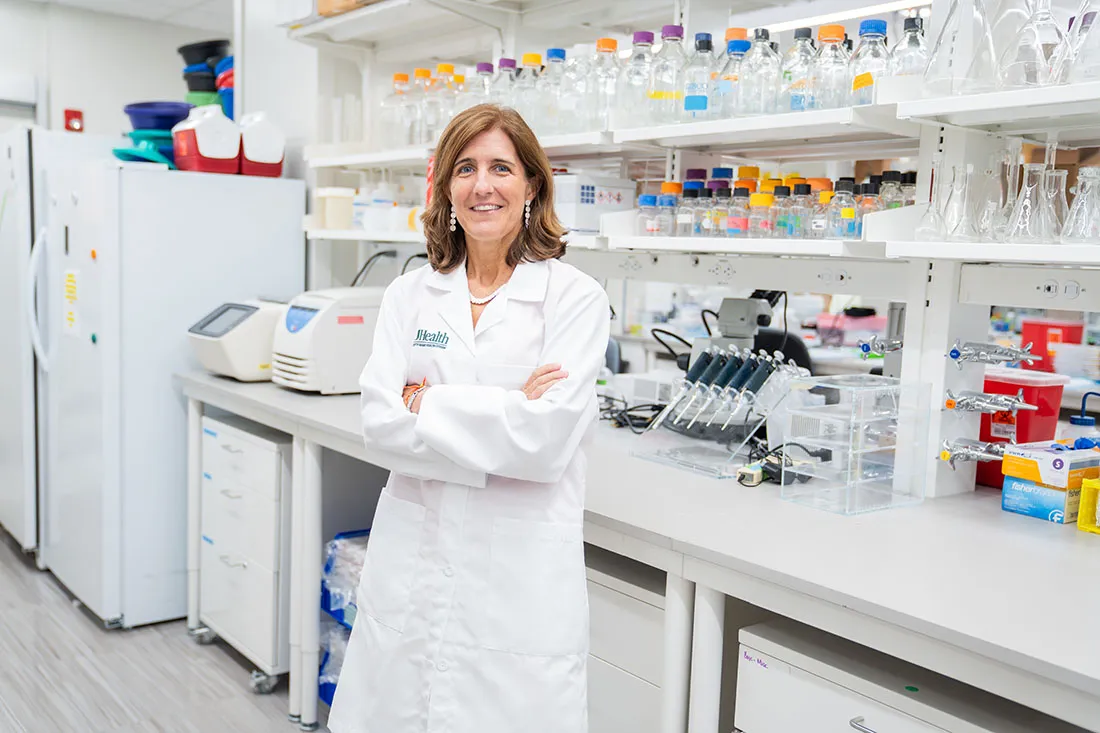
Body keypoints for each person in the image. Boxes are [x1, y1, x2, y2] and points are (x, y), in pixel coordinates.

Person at [327, 104, 611, 733]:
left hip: (517, 574)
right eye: (466, 168)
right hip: (414, 561)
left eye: (501, 167)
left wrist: (425, 401)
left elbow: (545, 443)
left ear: (532, 185)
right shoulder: (409, 294)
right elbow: (378, 423)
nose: (483, 185)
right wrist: (509, 407)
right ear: (447, 188)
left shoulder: (575, 298)